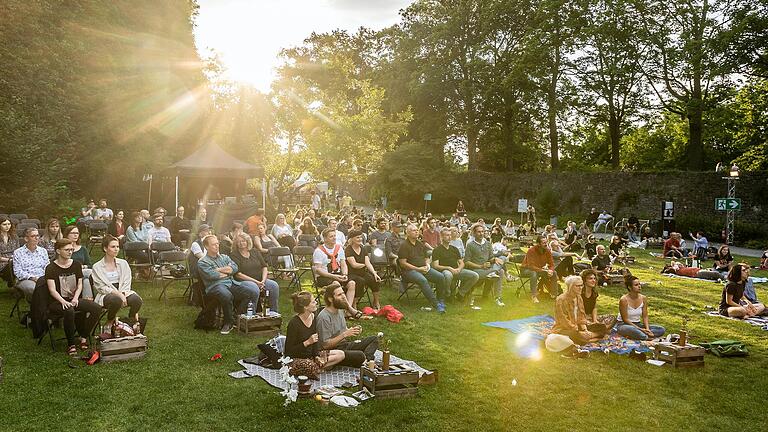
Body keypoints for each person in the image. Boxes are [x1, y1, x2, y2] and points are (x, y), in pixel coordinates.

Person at [44, 238, 102, 355]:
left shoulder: (76, 264)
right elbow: (52, 290)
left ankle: (84, 337)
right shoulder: (50, 268)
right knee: (69, 310)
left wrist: (75, 298)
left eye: (71, 249)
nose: (70, 252)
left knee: (96, 308)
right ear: (58, 251)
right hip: (57, 301)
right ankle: (71, 344)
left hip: (73, 299)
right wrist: (63, 301)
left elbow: (80, 284)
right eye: (66, 250)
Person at [197, 235, 261, 334]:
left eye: (217, 243)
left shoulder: (224, 257)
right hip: (215, 286)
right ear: (206, 246)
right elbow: (212, 275)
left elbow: (235, 268)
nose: (217, 246)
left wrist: (219, 270)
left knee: (252, 291)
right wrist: (227, 271)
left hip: (231, 283)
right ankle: (228, 322)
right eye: (214, 244)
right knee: (226, 294)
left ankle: (240, 317)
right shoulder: (202, 262)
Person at [317, 283, 378, 367]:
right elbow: (325, 345)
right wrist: (345, 334)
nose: (344, 296)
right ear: (330, 299)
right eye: (339, 294)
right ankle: (366, 360)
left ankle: (367, 360)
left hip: (345, 345)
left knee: (374, 339)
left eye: (343, 293)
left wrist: (352, 330)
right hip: (335, 352)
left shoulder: (340, 310)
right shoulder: (324, 317)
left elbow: (343, 329)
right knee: (359, 355)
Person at [92, 235, 143, 331]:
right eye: (113, 247)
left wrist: (123, 293)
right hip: (107, 293)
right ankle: (110, 320)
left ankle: (130, 320)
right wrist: (118, 294)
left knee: (137, 300)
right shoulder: (97, 266)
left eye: (117, 247)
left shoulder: (123, 263)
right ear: (105, 248)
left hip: (123, 290)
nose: (116, 249)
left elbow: (127, 281)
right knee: (116, 300)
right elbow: (101, 287)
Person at [284, 290, 345, 368]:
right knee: (310, 366)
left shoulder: (313, 317)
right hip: (297, 358)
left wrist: (316, 356)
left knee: (340, 354)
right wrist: (307, 342)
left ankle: (318, 366)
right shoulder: (294, 323)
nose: (316, 303)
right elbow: (289, 351)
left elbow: (315, 341)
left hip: (311, 356)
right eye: (313, 302)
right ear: (305, 307)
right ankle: (318, 367)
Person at [398, 223, 448, 312]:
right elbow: (403, 263)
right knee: (423, 280)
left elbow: (426, 258)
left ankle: (441, 300)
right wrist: (418, 269)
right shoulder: (404, 245)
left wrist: (427, 265)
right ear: (408, 233)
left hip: (423, 269)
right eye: (414, 230)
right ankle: (436, 304)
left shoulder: (420, 244)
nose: (417, 232)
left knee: (440, 277)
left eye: (417, 230)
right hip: (408, 272)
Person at [312, 228, 360, 317]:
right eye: (331, 236)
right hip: (324, 276)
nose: (334, 238)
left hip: (337, 274)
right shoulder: (319, 251)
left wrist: (345, 274)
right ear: (325, 239)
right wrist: (333, 277)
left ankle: (346, 312)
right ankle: (349, 308)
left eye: (335, 236)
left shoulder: (339, 248)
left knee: (352, 283)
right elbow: (318, 270)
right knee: (336, 284)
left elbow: (343, 264)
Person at [230, 232, 280, 313]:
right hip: (243, 282)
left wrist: (263, 280)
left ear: (247, 241)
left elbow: (264, 267)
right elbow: (238, 274)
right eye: (238, 242)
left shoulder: (255, 252)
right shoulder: (234, 255)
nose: (241, 243)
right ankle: (251, 315)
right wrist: (257, 282)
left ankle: (273, 313)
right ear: (235, 243)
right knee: (254, 288)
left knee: (274, 286)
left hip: (260, 280)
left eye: (243, 241)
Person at [553, 275, 605, 345]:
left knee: (602, 327)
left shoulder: (578, 297)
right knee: (575, 335)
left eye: (581, 285)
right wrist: (577, 331)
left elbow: (582, 315)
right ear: (570, 286)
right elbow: (563, 319)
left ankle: (589, 337)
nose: (581, 288)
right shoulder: (561, 299)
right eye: (577, 286)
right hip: (565, 328)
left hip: (578, 326)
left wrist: (585, 330)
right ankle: (591, 338)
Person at [432, 229, 479, 303]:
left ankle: (460, 293)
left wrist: (459, 269)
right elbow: (436, 266)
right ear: (441, 237)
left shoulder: (454, 249)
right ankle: (448, 294)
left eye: (450, 235)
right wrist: (449, 268)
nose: (449, 237)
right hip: (444, 271)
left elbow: (462, 262)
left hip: (456, 270)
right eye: (447, 235)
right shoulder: (437, 250)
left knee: (475, 275)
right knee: (448, 275)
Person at [464, 223, 506, 307]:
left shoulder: (488, 244)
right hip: (477, 270)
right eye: (479, 232)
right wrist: (480, 266)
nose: (481, 234)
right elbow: (467, 262)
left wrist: (494, 259)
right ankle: (493, 274)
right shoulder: (470, 245)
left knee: (502, 260)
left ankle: (498, 297)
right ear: (474, 233)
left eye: (482, 231)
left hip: (488, 268)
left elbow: (490, 258)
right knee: (500, 271)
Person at [616, 276, 666, 341]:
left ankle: (642, 335)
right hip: (624, 325)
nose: (639, 286)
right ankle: (646, 337)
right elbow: (625, 319)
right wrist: (641, 329)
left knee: (661, 329)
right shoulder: (624, 300)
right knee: (632, 330)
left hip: (638, 324)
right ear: (630, 287)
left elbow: (645, 316)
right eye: (636, 285)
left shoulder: (643, 298)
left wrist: (647, 329)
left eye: (639, 284)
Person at [345, 230, 382, 310]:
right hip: (352, 274)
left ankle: (376, 301)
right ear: (352, 239)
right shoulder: (348, 249)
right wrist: (364, 265)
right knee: (360, 281)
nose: (360, 239)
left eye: (360, 237)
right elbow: (354, 265)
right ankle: (354, 304)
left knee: (374, 279)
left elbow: (368, 262)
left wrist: (374, 273)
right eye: (357, 237)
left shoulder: (363, 248)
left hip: (362, 272)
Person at [13, 227, 49, 301]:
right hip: (25, 279)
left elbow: (47, 266)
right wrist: (32, 278)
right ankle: (37, 309)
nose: (36, 238)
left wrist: (45, 277)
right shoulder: (18, 252)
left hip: (42, 278)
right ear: (26, 239)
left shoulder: (43, 251)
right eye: (33, 236)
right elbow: (18, 272)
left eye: (37, 235)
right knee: (33, 288)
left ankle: (46, 309)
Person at [520, 235, 559, 303]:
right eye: (544, 243)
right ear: (538, 244)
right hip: (526, 269)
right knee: (533, 273)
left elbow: (551, 264)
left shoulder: (547, 250)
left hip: (539, 269)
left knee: (554, 273)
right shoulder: (531, 250)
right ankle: (534, 296)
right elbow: (531, 266)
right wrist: (544, 270)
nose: (546, 244)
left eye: (546, 242)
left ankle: (554, 294)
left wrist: (551, 270)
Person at [63, 225, 94, 299]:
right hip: (69, 273)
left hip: (82, 272)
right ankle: (90, 302)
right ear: (67, 234)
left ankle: (87, 302)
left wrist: (82, 266)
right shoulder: (63, 249)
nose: (75, 235)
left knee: (86, 280)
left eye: (77, 233)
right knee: (89, 273)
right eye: (73, 233)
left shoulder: (83, 249)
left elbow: (89, 265)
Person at [0, 217, 20, 284]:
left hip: (14, 259)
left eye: (9, 224)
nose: (7, 226)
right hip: (2, 262)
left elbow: (18, 250)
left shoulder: (14, 236)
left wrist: (15, 259)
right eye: (4, 224)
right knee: (12, 264)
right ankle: (13, 283)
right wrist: (9, 260)